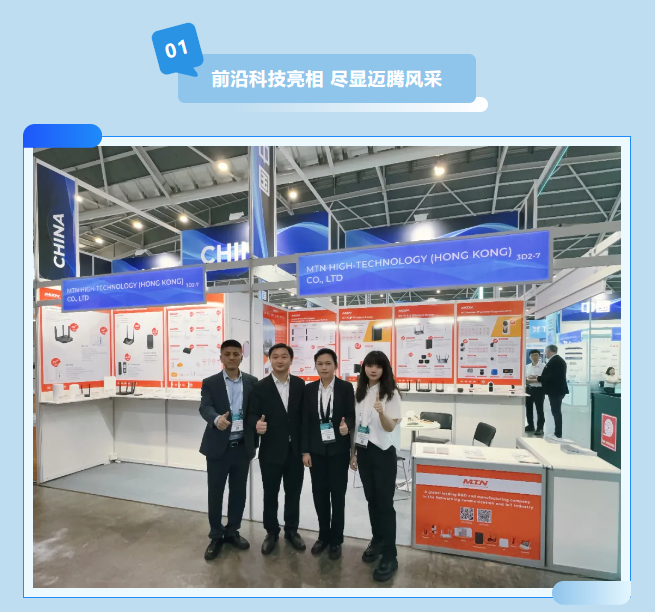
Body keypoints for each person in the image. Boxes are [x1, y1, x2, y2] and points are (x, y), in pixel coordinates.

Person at [199, 339, 258, 560]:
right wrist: (216, 419)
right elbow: (205, 407)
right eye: (227, 354)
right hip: (218, 448)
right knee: (215, 493)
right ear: (221, 357)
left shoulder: (252, 382)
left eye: (235, 353)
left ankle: (232, 531)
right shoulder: (210, 382)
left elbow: (254, 411)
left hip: (242, 447)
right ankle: (216, 535)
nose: (232, 357)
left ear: (242, 356)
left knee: (238, 492)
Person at [247, 343, 307, 555]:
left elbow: (305, 419)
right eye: (275, 357)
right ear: (269, 359)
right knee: (270, 493)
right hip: (271, 451)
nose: (279, 360)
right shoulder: (260, 387)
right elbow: (251, 414)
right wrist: (256, 424)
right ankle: (271, 532)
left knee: (293, 493)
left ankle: (292, 530)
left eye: (284, 356)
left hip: (295, 452)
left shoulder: (300, 385)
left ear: (291, 360)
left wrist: (305, 449)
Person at [349, 351, 402, 582]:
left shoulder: (391, 393)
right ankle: (378, 540)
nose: (373, 370)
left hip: (383, 453)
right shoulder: (360, 392)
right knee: (371, 500)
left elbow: (390, 427)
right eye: (369, 365)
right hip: (364, 452)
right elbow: (357, 425)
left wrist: (381, 413)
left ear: (384, 369)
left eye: (378, 366)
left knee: (385, 504)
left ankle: (391, 555)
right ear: (364, 368)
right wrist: (354, 453)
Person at [301, 348, 355, 561]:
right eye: (320, 364)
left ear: (335, 366)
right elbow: (305, 421)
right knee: (319, 494)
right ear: (315, 366)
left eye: (328, 363)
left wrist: (347, 426)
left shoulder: (345, 388)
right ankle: (323, 536)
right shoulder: (309, 389)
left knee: (338, 495)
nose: (324, 368)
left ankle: (336, 540)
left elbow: (351, 415)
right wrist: (305, 450)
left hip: (338, 451)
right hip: (316, 452)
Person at [528, 344, 569, 439]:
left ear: (549, 351)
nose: (545, 354)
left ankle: (558, 433)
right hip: (556, 390)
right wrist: (537, 377)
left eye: (546, 351)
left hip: (556, 391)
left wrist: (537, 378)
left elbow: (552, 377)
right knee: (555, 411)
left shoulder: (556, 361)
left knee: (556, 411)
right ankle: (557, 432)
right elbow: (551, 376)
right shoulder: (556, 360)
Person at [525, 349, 546, 436]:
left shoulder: (544, 366)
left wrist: (532, 380)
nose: (534, 357)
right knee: (528, 409)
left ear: (539, 356)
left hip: (539, 390)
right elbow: (525, 378)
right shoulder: (527, 366)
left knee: (539, 409)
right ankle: (530, 425)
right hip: (529, 389)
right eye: (532, 355)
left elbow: (544, 379)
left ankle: (540, 428)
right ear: (530, 357)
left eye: (536, 355)